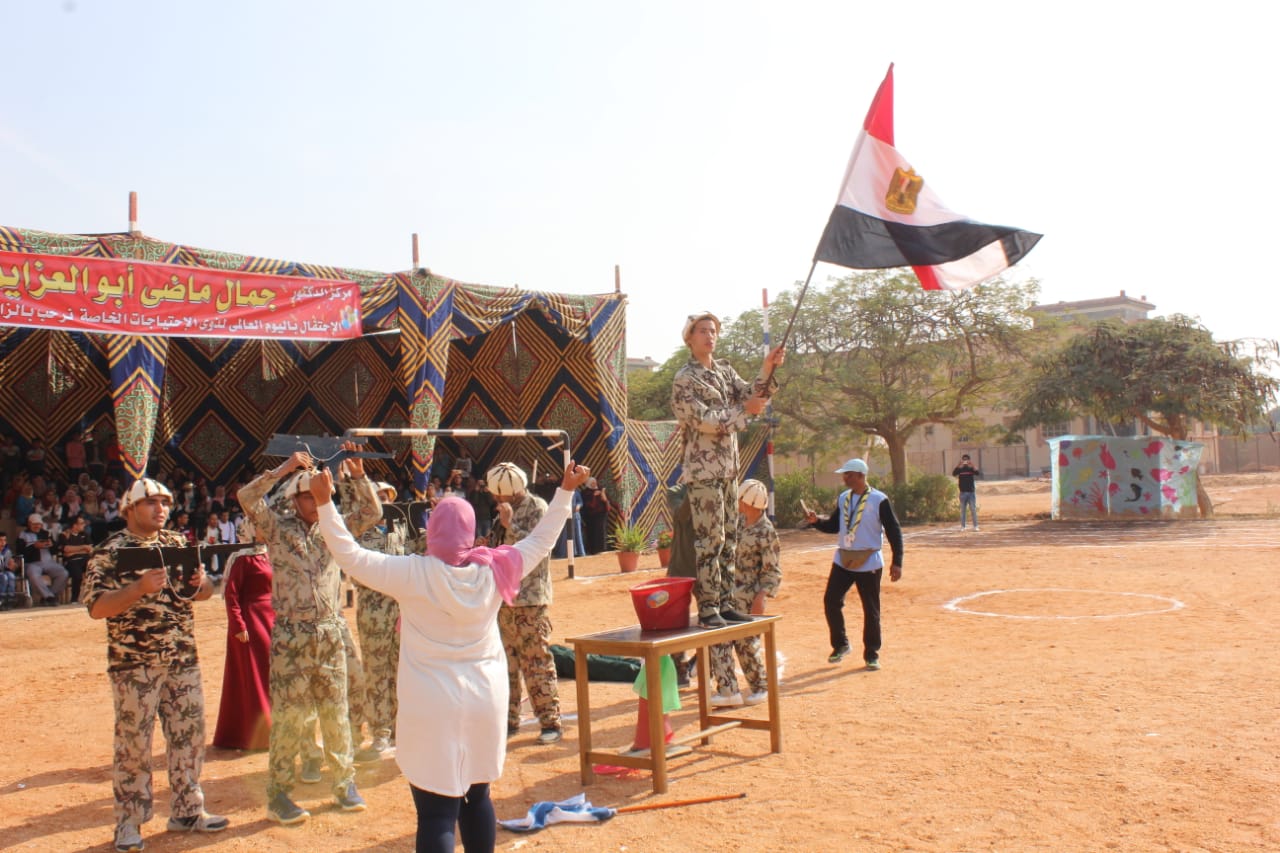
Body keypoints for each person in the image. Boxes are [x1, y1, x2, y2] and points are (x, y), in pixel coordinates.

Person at [310, 459, 589, 853]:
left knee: (437, 815)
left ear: (433, 531)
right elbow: (542, 541)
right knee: (478, 799)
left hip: (430, 706)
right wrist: (565, 491)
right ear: (471, 532)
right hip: (484, 700)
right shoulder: (495, 570)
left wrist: (325, 503)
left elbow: (350, 556)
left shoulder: (412, 574)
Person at [80, 478, 229, 852]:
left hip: (182, 659)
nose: (160, 508)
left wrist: (201, 584)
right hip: (134, 666)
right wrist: (138, 589)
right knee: (134, 747)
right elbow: (97, 608)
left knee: (189, 740)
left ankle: (188, 811)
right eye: (150, 502)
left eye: (165, 501)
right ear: (129, 509)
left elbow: (205, 592)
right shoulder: (109, 551)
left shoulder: (177, 544)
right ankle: (129, 823)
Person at [238, 444, 382, 826]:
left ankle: (344, 784)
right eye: (309, 496)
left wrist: (358, 475)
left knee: (335, 711)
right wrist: (284, 469)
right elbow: (246, 497)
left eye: (322, 495)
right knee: (290, 718)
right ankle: (280, 794)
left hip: (329, 631)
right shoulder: (277, 528)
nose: (317, 501)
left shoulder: (332, 527)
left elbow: (372, 512)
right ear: (296, 498)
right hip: (292, 636)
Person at [670, 310, 784, 628]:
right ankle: (708, 607)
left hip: (729, 469)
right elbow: (702, 420)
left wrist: (767, 367)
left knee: (730, 536)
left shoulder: (723, 371)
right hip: (703, 470)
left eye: (714, 330)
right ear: (690, 338)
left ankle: (725, 602)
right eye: (703, 330)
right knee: (710, 538)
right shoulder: (685, 378)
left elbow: (753, 395)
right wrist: (743, 412)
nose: (710, 335)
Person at [489, 462, 564, 745]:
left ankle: (550, 722)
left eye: (502, 496)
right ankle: (509, 720)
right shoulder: (500, 512)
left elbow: (538, 549)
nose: (499, 501)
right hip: (504, 602)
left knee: (536, 662)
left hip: (531, 600)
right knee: (505, 664)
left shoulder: (537, 508)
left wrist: (512, 526)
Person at [804, 458, 904, 669]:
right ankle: (841, 645)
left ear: (860, 475)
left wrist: (897, 562)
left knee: (871, 609)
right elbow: (834, 526)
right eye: (844, 474)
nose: (845, 478)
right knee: (831, 601)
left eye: (848, 474)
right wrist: (816, 522)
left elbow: (894, 531)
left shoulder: (879, 500)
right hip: (843, 558)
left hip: (869, 561)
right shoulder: (844, 499)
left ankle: (871, 653)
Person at [709, 479, 782, 707]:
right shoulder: (739, 523)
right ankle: (727, 689)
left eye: (741, 498)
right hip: (728, 595)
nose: (737, 501)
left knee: (746, 644)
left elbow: (772, 571)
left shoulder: (766, 532)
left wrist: (762, 597)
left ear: (749, 501)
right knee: (718, 639)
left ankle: (761, 686)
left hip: (749, 597)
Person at [351, 480, 410, 763]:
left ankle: (403, 730)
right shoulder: (359, 532)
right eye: (379, 497)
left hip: (401, 611)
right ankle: (380, 733)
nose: (384, 502)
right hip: (373, 611)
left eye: (388, 496)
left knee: (403, 671)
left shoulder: (401, 528)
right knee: (376, 675)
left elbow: (419, 555)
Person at [212, 520, 274, 751]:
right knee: (253, 675)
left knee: (270, 673)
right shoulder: (242, 558)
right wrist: (238, 625)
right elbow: (231, 595)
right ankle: (254, 735)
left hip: (271, 619)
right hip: (251, 621)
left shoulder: (269, 553)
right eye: (260, 526)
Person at [19, 513, 67, 606]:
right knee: (33, 574)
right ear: (29, 523)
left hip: (48, 561)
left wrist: (52, 545)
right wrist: (34, 546)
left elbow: (55, 550)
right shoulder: (23, 535)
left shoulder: (46, 533)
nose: (37, 526)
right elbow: (20, 551)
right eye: (35, 524)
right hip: (32, 563)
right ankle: (49, 597)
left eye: (39, 524)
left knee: (63, 573)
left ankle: (49, 596)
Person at [58, 513, 94, 603]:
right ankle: (74, 599)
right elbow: (66, 549)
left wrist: (74, 551)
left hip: (85, 559)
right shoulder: (64, 535)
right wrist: (83, 547)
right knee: (77, 575)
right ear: (74, 525)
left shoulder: (84, 534)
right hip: (71, 561)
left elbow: (90, 549)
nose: (84, 525)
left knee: (96, 570)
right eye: (81, 523)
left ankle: (94, 597)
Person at [580, 477, 611, 555]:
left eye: (595, 482)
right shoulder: (585, 492)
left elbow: (607, 502)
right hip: (590, 516)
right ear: (588, 484)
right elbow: (588, 505)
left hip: (601, 515)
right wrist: (593, 496)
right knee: (592, 532)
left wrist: (602, 494)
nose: (594, 484)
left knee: (601, 532)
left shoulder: (600, 490)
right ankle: (593, 550)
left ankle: (602, 549)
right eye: (592, 483)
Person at [952, 454, 982, 531]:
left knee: (973, 510)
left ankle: (975, 526)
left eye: (967, 460)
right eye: (964, 459)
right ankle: (963, 526)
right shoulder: (960, 470)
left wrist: (972, 464)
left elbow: (978, 473)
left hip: (971, 493)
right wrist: (959, 465)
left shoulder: (971, 469)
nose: (965, 461)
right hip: (962, 493)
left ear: (969, 460)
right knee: (963, 511)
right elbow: (954, 473)